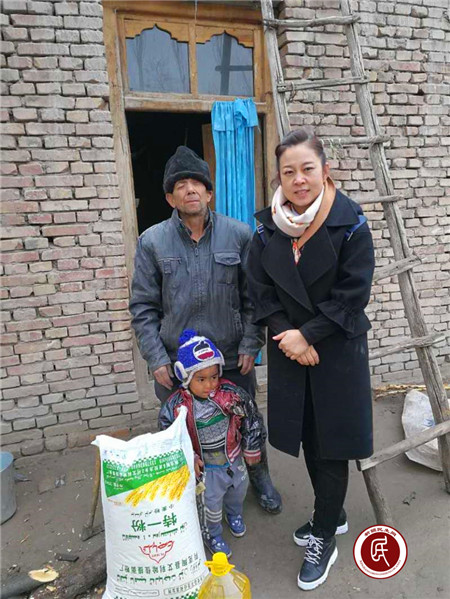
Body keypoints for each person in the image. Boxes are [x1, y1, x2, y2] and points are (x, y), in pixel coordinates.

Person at [247, 127, 375, 591]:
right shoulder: (267, 228)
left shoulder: (351, 224)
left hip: (334, 347)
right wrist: (289, 336)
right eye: (289, 171)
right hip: (289, 348)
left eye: (307, 168)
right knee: (305, 433)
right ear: (279, 177)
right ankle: (332, 513)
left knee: (330, 440)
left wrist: (308, 335)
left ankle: (325, 534)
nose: (298, 179)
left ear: (325, 170)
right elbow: (259, 291)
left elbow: (353, 294)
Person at [129, 145, 281, 514]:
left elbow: (254, 298)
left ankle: (258, 475)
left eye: (197, 183)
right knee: (181, 431)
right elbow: (143, 307)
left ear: (209, 193)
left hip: (229, 358)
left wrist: (251, 343)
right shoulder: (152, 242)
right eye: (180, 185)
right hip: (177, 365)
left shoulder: (239, 235)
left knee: (245, 423)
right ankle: (186, 493)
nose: (190, 189)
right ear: (170, 198)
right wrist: (155, 358)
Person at [159, 329, 265, 557]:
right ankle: (212, 533)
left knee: (238, 490)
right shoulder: (176, 407)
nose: (210, 384)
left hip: (234, 458)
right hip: (207, 468)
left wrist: (251, 445)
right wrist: (189, 458)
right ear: (185, 377)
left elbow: (251, 417)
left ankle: (234, 513)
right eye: (201, 379)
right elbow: (169, 437)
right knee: (210, 503)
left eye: (214, 377)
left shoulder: (231, 394)